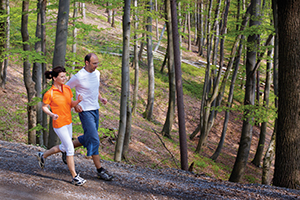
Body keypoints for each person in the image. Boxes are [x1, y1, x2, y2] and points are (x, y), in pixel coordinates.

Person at [65, 53, 113, 181]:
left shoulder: (97, 73)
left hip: (95, 109)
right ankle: (100, 170)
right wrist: (74, 104)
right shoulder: (79, 76)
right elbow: (66, 89)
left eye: (97, 63)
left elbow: (95, 88)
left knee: (88, 137)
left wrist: (101, 97)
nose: (96, 66)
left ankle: (66, 148)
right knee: (94, 139)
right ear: (87, 62)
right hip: (85, 110)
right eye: (94, 63)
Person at [36, 66, 86, 186]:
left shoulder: (68, 89)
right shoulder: (50, 93)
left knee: (64, 147)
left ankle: (43, 155)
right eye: (62, 77)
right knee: (70, 148)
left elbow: (70, 104)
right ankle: (75, 177)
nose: (65, 78)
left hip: (68, 122)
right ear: (54, 78)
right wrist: (51, 114)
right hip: (58, 124)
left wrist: (77, 102)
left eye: (65, 76)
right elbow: (43, 107)